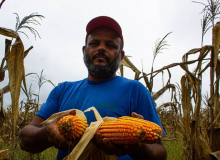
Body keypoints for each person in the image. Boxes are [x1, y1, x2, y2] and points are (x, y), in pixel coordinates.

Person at [19, 16, 167, 160]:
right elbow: (26, 138)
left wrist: (137, 147)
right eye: (94, 43)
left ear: (121, 56)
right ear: (84, 50)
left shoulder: (136, 90)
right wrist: (47, 133)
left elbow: (160, 153)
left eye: (110, 45)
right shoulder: (63, 90)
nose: (101, 48)